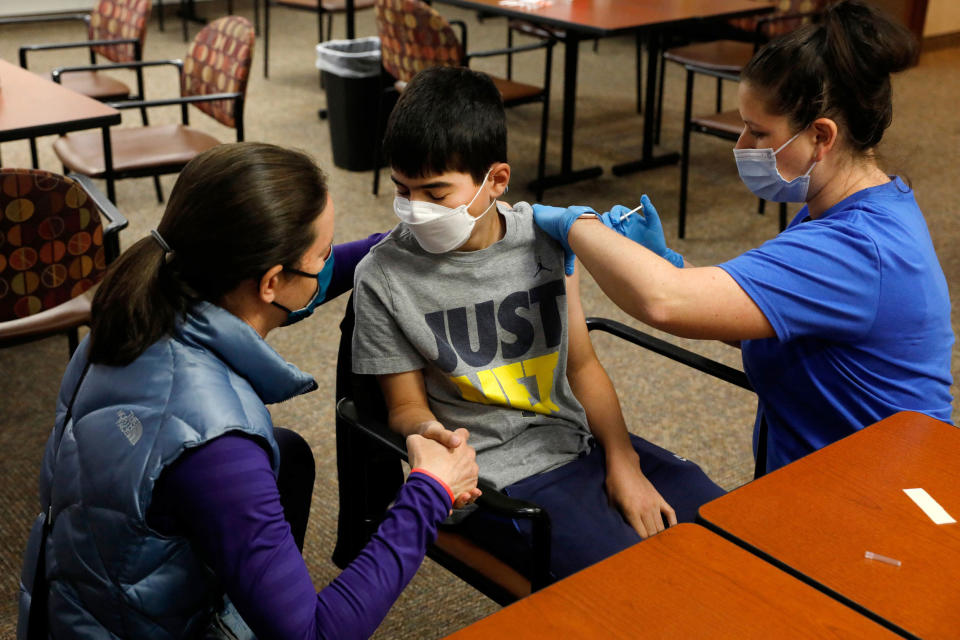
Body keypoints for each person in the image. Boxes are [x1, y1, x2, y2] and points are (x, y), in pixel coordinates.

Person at [17, 142, 481, 640]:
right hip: (132, 627)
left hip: (70, 599)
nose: (329, 262)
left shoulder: (149, 296)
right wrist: (429, 491)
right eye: (323, 252)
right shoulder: (216, 443)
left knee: (288, 454)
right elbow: (314, 635)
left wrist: (400, 239)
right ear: (272, 281)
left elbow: (303, 284)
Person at [533, 0, 954, 475]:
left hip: (879, 492)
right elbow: (768, 315)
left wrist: (576, 225)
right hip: (831, 477)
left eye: (757, 132)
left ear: (821, 135)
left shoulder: (857, 248)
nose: (741, 147)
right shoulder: (846, 208)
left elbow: (665, 303)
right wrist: (665, 260)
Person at [351, 66, 724, 581]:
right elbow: (405, 407)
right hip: (495, 480)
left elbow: (583, 365)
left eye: (435, 195)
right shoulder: (383, 276)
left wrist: (623, 461)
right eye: (401, 190)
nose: (414, 211)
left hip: (576, 442)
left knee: (724, 524)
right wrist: (429, 433)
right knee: (635, 580)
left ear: (496, 181)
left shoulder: (542, 238)